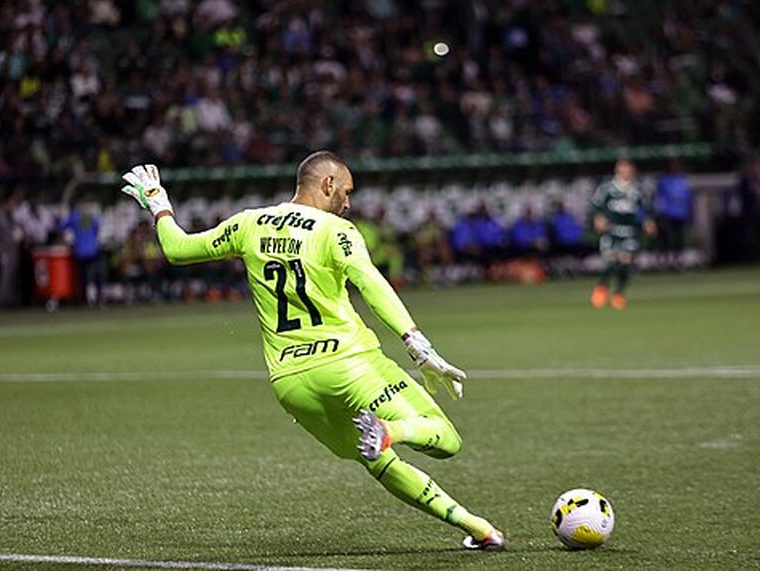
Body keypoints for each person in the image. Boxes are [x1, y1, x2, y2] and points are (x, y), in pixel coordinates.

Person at [120, 152, 505, 551]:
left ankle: (480, 529)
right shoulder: (336, 230)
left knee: (376, 460)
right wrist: (417, 345)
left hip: (292, 384)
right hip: (349, 364)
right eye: (347, 191)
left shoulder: (248, 223)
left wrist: (159, 203)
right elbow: (370, 283)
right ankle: (392, 430)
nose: (349, 203)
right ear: (327, 185)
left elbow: (179, 250)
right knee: (444, 438)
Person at [589, 159, 655, 310]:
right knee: (612, 262)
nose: (626, 172)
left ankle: (619, 294)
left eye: (629, 169)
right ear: (617, 171)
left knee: (626, 264)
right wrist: (598, 218)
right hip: (611, 231)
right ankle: (601, 288)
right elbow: (595, 205)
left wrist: (648, 221)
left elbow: (647, 208)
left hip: (629, 231)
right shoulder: (607, 189)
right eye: (623, 169)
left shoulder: (637, 190)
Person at [653, 159, 693, 269]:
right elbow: (658, 198)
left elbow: (689, 198)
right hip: (667, 214)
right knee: (664, 238)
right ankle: (663, 261)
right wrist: (660, 212)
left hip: (680, 214)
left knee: (678, 239)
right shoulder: (664, 181)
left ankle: (678, 261)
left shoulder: (683, 181)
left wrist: (689, 213)